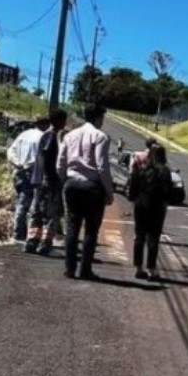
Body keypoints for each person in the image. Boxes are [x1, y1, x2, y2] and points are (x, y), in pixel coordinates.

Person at [56, 103, 114, 280]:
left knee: (72, 227)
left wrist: (65, 181)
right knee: (91, 230)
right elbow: (102, 166)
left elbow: (60, 163)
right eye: (102, 117)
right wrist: (109, 191)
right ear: (98, 118)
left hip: (72, 183)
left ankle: (69, 268)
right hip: (92, 186)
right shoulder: (100, 136)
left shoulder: (70, 135)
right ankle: (85, 269)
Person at [25, 108, 68, 255]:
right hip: (50, 181)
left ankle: (32, 241)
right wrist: (53, 178)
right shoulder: (52, 137)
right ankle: (44, 243)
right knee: (51, 214)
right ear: (60, 121)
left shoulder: (45, 136)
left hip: (39, 180)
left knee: (37, 212)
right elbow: (49, 160)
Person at [127, 143, 172, 280]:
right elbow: (167, 192)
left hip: (140, 206)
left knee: (139, 236)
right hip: (157, 208)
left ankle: (139, 268)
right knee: (153, 238)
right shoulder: (164, 171)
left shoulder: (141, 169)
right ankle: (152, 269)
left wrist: (135, 199)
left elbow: (132, 189)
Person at [6, 117, 49, 242]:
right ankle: (20, 234)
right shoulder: (43, 137)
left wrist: (18, 163)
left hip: (19, 173)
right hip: (33, 174)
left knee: (21, 201)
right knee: (30, 206)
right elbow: (42, 158)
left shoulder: (24, 135)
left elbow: (10, 151)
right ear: (45, 124)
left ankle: (20, 232)